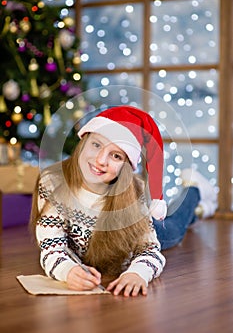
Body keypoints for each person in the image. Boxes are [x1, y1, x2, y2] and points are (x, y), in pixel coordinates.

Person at [30, 105, 218, 297]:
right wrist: (67, 271)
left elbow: (151, 251)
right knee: (183, 220)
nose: (101, 160)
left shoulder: (133, 195)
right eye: (96, 145)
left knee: (176, 227)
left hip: (136, 237)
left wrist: (138, 273)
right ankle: (199, 212)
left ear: (125, 167)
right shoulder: (53, 181)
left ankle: (194, 190)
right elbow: (51, 245)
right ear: (84, 140)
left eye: (116, 155)